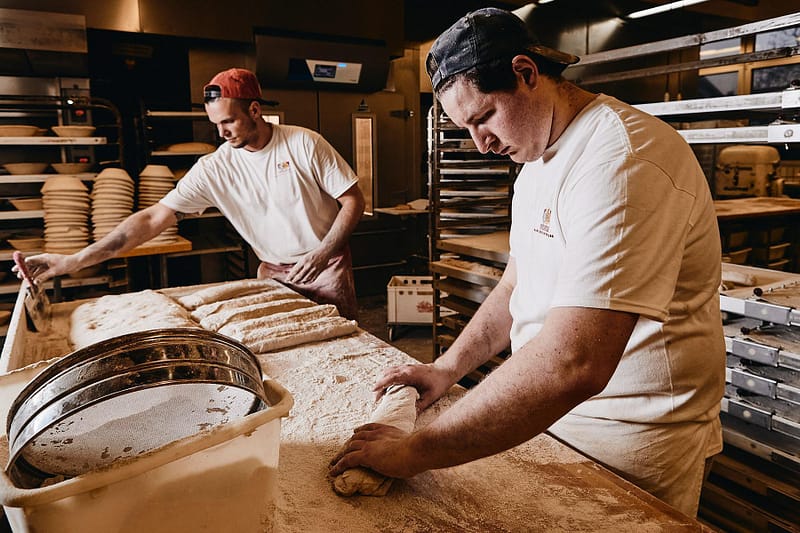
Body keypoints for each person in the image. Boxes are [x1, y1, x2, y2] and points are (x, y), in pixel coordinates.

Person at [330, 7, 725, 517]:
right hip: (552, 419)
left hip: (630, 439)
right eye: (466, 128)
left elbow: (575, 362)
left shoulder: (622, 160)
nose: (482, 143)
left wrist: (413, 450)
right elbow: (519, 283)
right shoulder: (537, 159)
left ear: (526, 73)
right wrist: (447, 369)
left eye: (484, 117)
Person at [15, 68, 364, 320]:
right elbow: (153, 218)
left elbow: (353, 201)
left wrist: (321, 254)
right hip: (273, 272)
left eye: (228, 121)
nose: (221, 132)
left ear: (255, 110)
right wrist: (73, 260)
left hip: (326, 266)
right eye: (215, 124)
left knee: (340, 343)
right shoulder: (215, 168)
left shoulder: (304, 143)